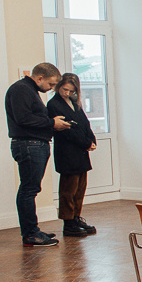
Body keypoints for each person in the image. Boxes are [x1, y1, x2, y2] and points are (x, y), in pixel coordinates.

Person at [6, 62, 71, 247]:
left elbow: (29, 117)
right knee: (29, 190)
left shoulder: (28, 90)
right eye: (51, 84)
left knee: (30, 189)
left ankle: (32, 231)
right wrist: (51, 123)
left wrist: (51, 122)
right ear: (40, 78)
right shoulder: (21, 89)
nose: (51, 88)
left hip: (33, 144)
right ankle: (30, 234)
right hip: (29, 145)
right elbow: (23, 118)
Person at [47, 73, 98, 237]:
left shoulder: (75, 102)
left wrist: (92, 140)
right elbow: (67, 130)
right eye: (64, 89)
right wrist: (86, 142)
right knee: (68, 189)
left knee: (80, 188)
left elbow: (85, 124)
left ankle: (76, 217)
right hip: (67, 151)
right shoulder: (54, 104)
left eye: (71, 91)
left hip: (80, 152)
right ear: (59, 86)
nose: (67, 93)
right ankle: (68, 222)